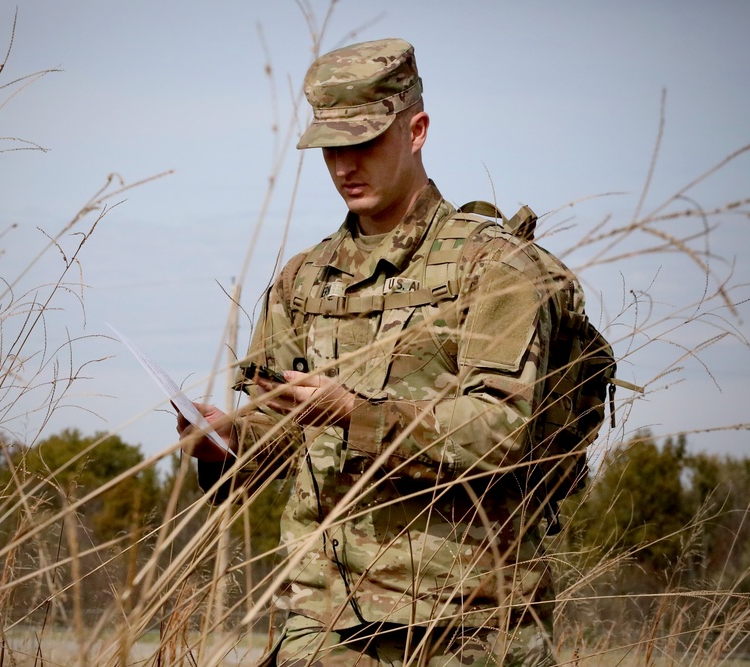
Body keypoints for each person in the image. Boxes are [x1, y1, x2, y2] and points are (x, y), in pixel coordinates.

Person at [178, 38, 557, 667]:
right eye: (332, 148)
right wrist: (225, 442)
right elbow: (276, 439)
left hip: (464, 623)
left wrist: (358, 413)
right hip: (324, 623)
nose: (345, 166)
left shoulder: (494, 268)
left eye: (364, 144)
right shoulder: (303, 280)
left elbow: (502, 432)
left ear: (417, 131)